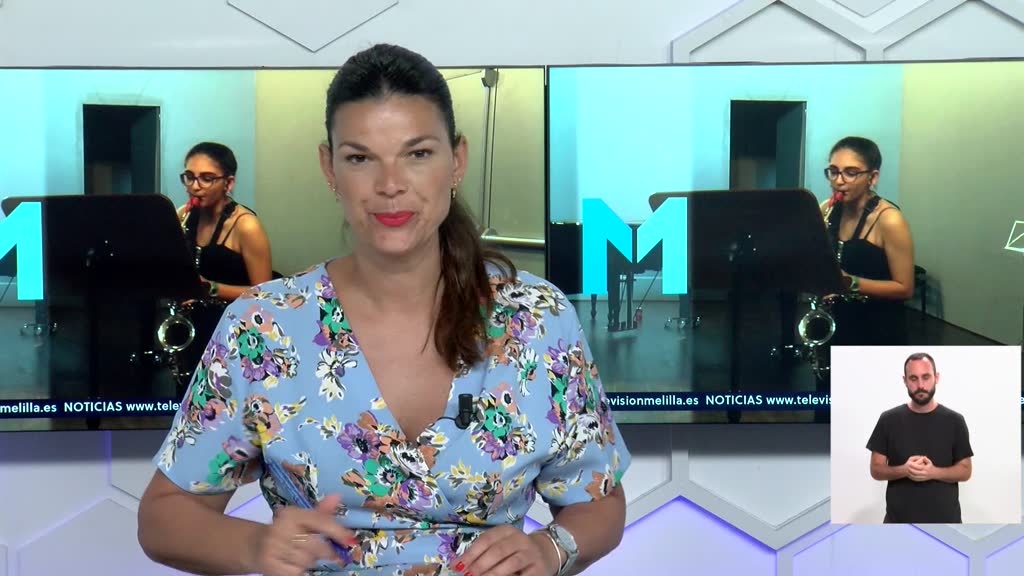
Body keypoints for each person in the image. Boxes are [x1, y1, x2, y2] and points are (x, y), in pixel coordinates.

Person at [138, 44, 631, 576]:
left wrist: (551, 549)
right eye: (360, 158)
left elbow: (599, 499)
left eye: (418, 154)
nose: (390, 184)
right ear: (329, 167)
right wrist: (256, 546)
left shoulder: (537, 317)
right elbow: (164, 517)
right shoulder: (264, 326)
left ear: (457, 160)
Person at [820, 136, 914, 345]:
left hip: (877, 330)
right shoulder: (827, 209)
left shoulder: (890, 220)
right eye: (833, 171)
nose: (838, 181)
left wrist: (849, 282)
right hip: (837, 325)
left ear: (873, 177)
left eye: (851, 173)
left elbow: (905, 288)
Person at [866, 352, 973, 523]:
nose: (920, 385)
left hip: (946, 525)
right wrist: (904, 470)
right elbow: (876, 469)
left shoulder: (955, 421)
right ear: (905, 380)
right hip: (897, 523)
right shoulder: (888, 419)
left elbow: (965, 470)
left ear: (936, 378)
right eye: (913, 378)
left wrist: (933, 472)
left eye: (926, 377)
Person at [178, 141, 274, 302]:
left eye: (206, 178)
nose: (194, 187)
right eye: (189, 177)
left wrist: (210, 288)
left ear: (228, 183)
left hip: (233, 315)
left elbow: (264, 294)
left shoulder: (247, 226)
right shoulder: (183, 214)